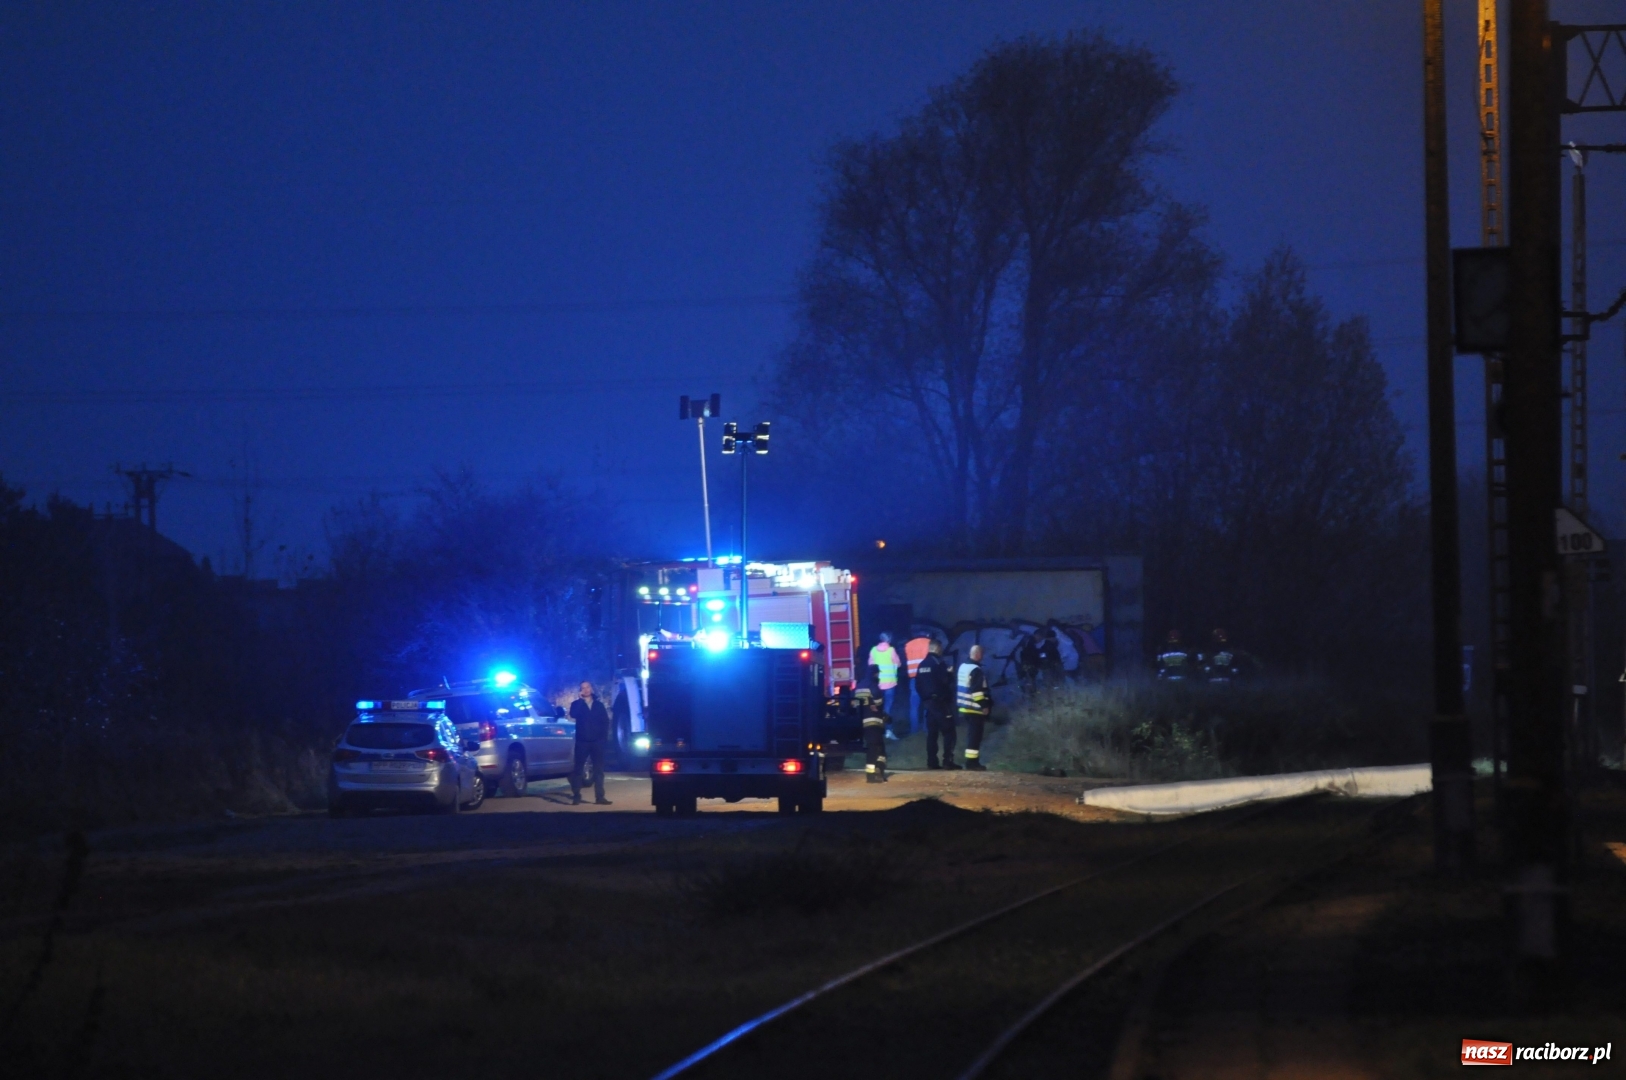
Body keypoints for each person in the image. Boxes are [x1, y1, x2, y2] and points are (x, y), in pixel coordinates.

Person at [916, 639, 958, 769]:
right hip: (941, 703)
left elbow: (917, 685)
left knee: (932, 734)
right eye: (940, 648)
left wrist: (925, 698)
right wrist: (950, 674)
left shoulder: (922, 664)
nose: (942, 650)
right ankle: (947, 761)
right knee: (949, 732)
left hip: (928, 703)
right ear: (937, 648)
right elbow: (945, 681)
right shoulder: (939, 663)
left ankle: (932, 762)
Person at [568, 681, 612, 805]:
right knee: (578, 769)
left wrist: (603, 738)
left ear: (591, 688)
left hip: (597, 742)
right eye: (583, 688)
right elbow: (574, 714)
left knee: (599, 770)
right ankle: (576, 795)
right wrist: (580, 700)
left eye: (588, 687)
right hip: (582, 742)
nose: (586, 690)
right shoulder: (577, 704)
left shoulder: (599, 705)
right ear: (580, 690)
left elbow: (605, 722)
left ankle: (600, 797)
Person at [956, 644, 991, 771]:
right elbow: (976, 691)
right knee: (975, 736)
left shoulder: (963, 667)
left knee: (972, 735)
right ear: (977, 654)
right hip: (974, 707)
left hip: (964, 706)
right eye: (981, 654)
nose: (982, 657)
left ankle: (971, 762)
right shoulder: (976, 670)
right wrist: (984, 705)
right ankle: (972, 763)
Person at [867, 632, 904, 740]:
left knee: (876, 707)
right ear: (889, 640)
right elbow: (898, 664)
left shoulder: (873, 650)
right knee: (888, 707)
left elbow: (870, 666)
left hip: (876, 684)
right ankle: (888, 730)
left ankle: (876, 730)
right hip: (889, 683)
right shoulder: (891, 650)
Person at [904, 634, 932, 734]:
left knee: (914, 706)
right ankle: (926, 728)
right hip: (926, 678)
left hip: (913, 678)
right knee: (927, 704)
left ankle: (914, 730)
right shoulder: (929, 643)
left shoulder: (908, 645)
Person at [859, 690, 889, 783]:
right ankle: (872, 775)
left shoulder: (859, 688)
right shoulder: (873, 687)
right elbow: (878, 703)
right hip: (874, 722)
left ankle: (878, 769)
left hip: (866, 723)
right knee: (874, 748)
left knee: (878, 748)